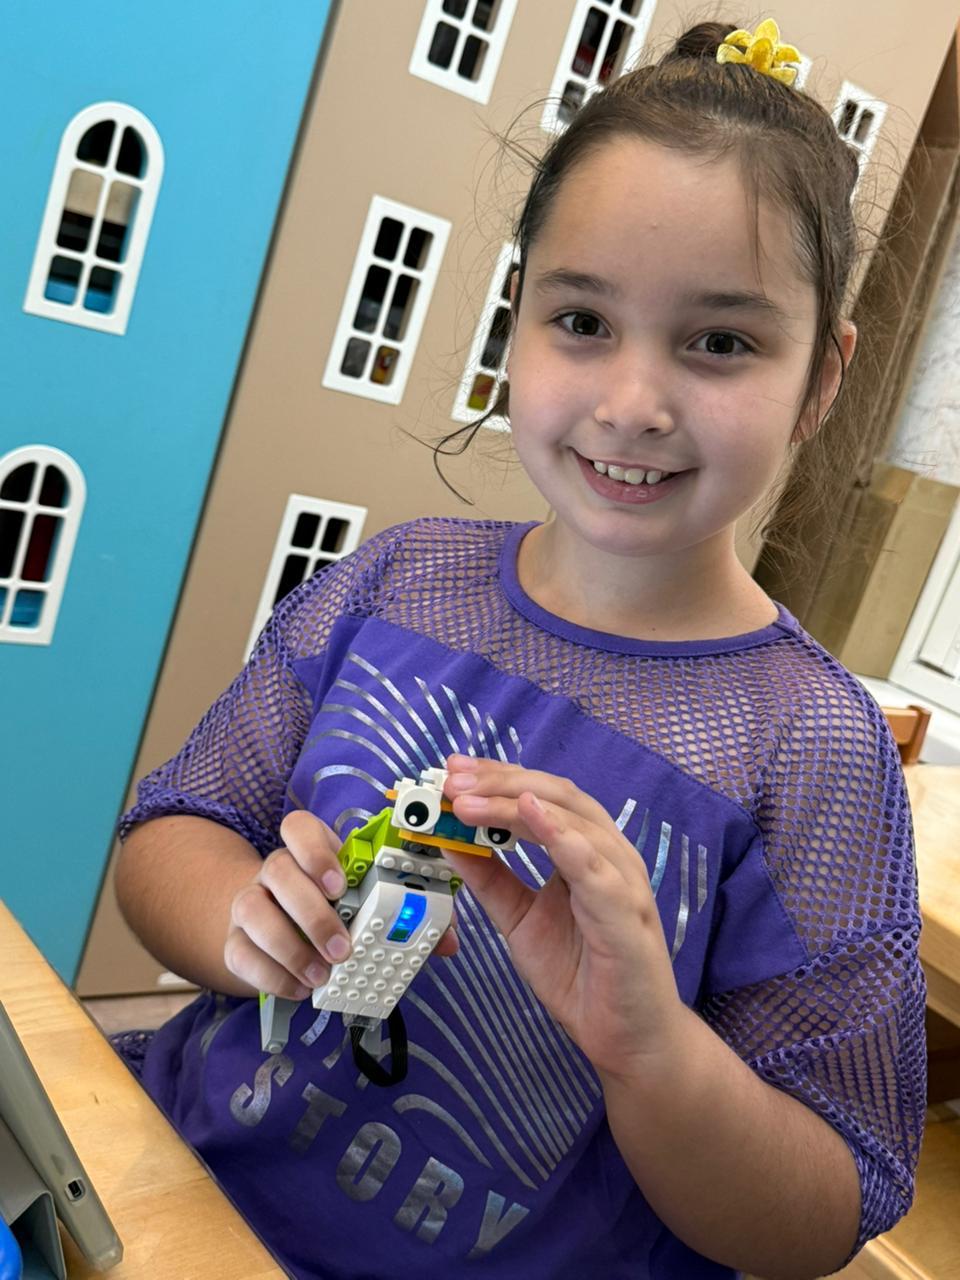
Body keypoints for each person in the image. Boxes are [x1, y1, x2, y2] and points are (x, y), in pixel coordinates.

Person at [115, 20, 926, 1280]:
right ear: (516, 318)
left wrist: (652, 1048)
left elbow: (831, 1201)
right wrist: (241, 918)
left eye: (721, 341)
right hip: (173, 1185)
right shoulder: (398, 577)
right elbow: (172, 825)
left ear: (824, 375)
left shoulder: (813, 745)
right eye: (582, 318)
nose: (632, 403)